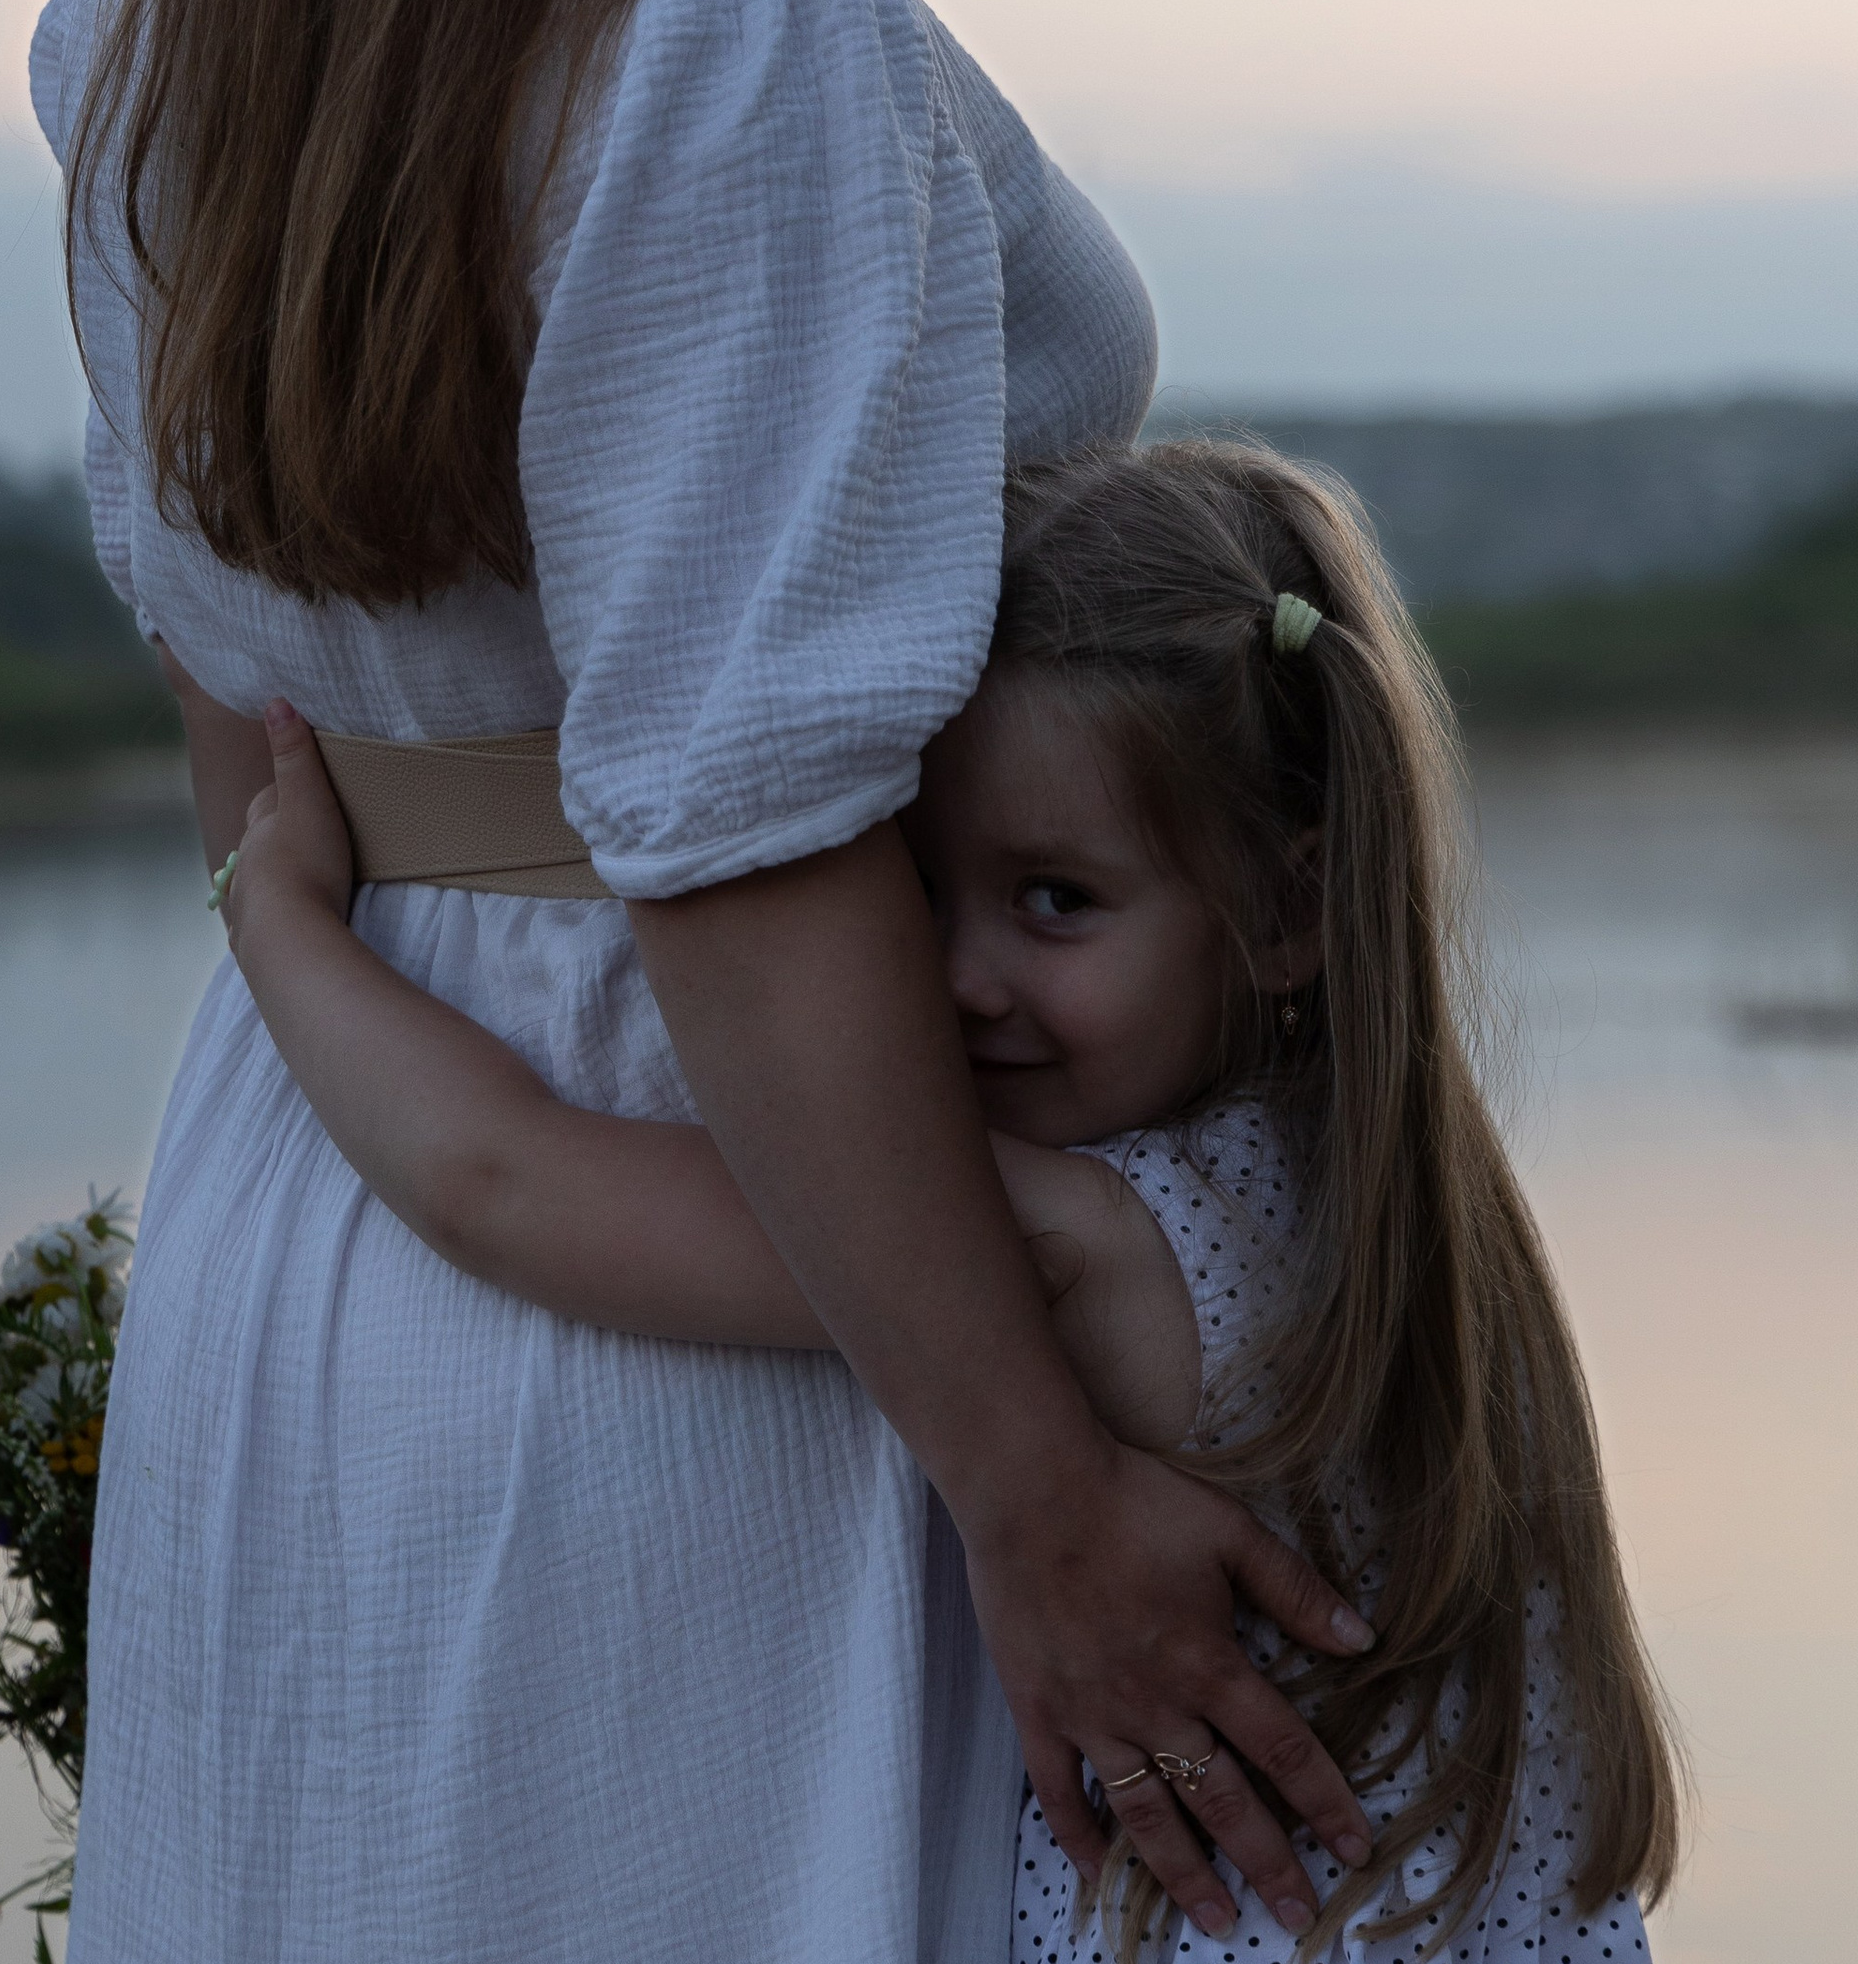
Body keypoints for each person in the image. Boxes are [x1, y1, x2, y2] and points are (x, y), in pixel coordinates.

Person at [34, 0, 1380, 1953]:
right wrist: (1035, 1492)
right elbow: (744, 834)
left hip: (315, 1171)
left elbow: (252, 739)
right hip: (752, 1203)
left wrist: (329, 969)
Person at [218, 438, 1684, 1963]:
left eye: (1056, 900)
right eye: (914, 897)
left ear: (1286, 908)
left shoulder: (1081, 1243)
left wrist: (278, 927)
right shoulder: (1397, 1211)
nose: (961, 980)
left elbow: (497, 1179)